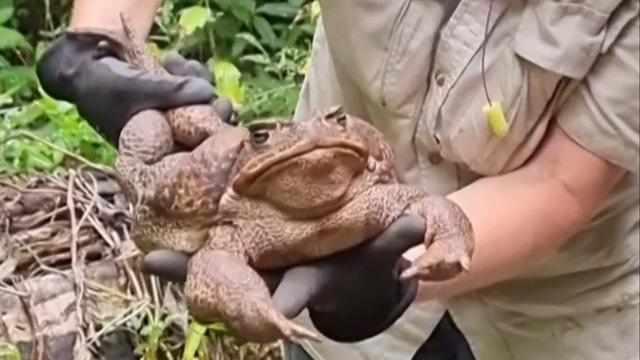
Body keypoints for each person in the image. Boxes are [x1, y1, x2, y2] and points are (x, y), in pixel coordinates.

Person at [36, 0, 639, 359]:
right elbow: (215, 265)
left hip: (555, 314)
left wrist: (394, 267)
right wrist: (97, 49)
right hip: (299, 190)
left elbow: (561, 182)